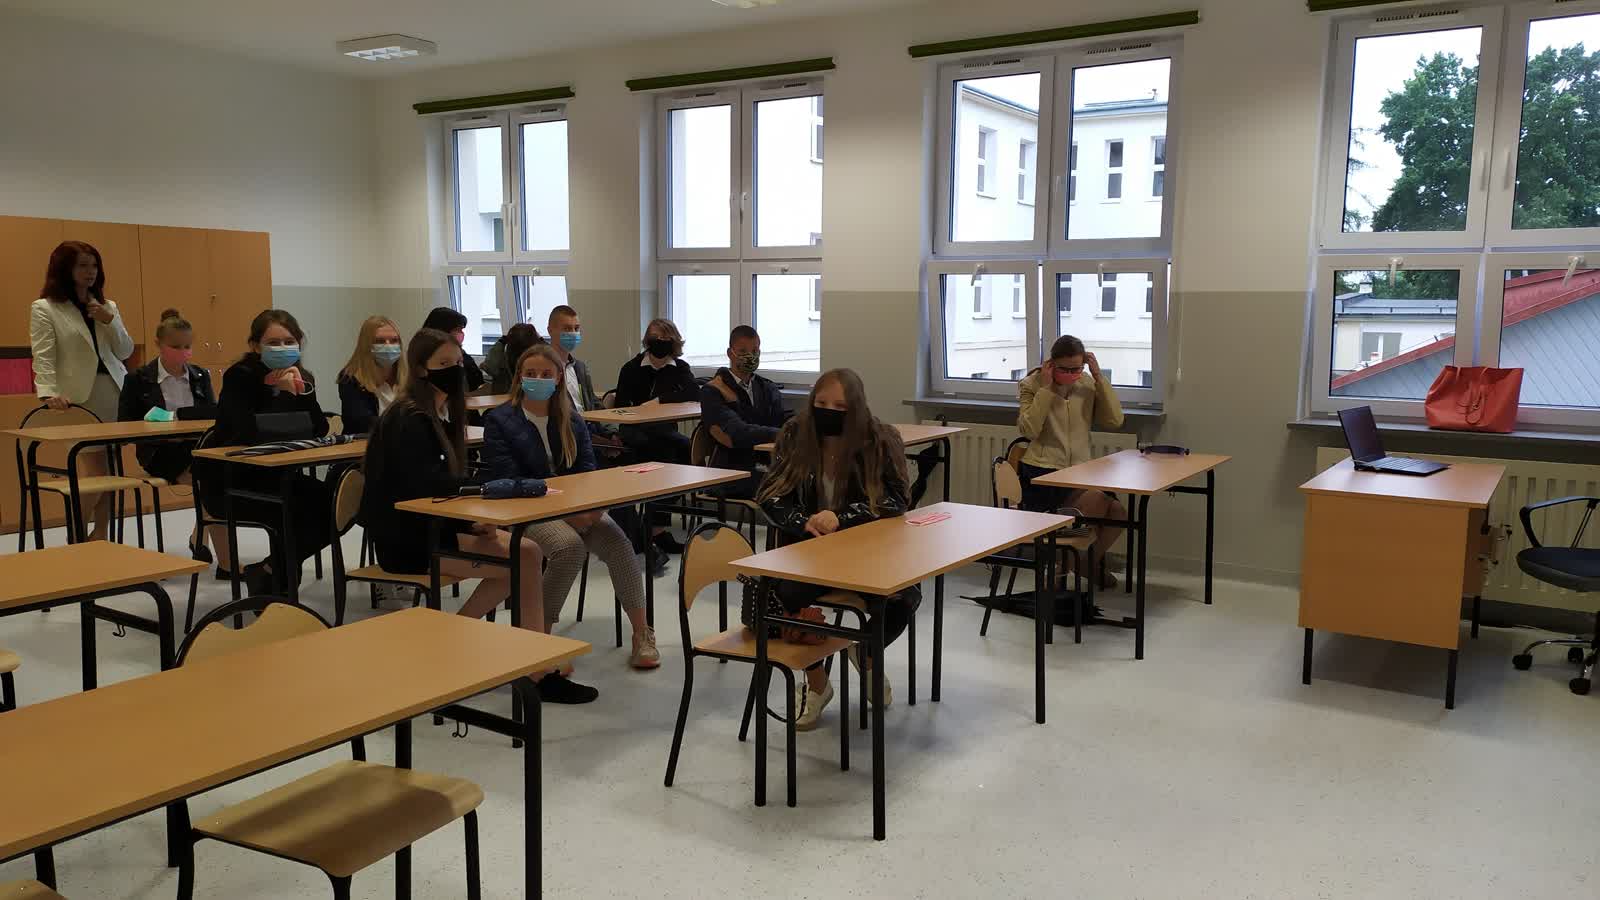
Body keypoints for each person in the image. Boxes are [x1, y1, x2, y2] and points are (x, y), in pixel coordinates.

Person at [361, 330, 595, 704]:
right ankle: (532, 671)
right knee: (524, 556)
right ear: (420, 369)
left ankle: (460, 643)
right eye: (444, 364)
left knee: (527, 553)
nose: (455, 371)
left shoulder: (440, 414)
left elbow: (444, 487)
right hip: (408, 538)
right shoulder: (409, 419)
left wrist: (472, 520)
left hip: (435, 525)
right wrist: (473, 516)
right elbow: (424, 490)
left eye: (458, 362)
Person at [756, 368, 918, 731]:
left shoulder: (879, 439)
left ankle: (867, 653)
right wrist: (803, 521)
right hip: (809, 551)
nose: (829, 411)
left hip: (866, 552)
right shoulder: (796, 434)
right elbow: (770, 495)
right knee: (780, 595)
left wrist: (842, 517)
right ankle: (816, 684)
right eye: (821, 403)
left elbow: (897, 498)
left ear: (856, 408)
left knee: (904, 596)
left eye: (840, 407)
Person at [482, 344, 659, 669]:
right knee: (568, 548)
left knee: (619, 544)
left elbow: (587, 472)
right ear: (519, 377)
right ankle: (542, 642)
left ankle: (642, 633)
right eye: (530, 373)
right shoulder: (499, 420)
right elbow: (506, 477)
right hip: (525, 510)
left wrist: (590, 509)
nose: (538, 379)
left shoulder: (571, 418)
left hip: (575, 508)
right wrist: (566, 510)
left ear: (559, 378)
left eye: (545, 374)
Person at [198, 309, 335, 594]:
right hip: (232, 481)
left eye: (289, 341)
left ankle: (269, 571)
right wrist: (283, 395)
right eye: (273, 343)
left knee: (334, 504)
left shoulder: (300, 376)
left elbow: (319, 428)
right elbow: (251, 433)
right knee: (297, 510)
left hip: (277, 476)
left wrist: (302, 392)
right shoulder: (240, 377)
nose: (282, 348)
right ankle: (277, 588)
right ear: (255, 346)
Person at [29, 240, 135, 541]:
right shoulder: (45, 308)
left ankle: (100, 534)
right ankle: (76, 533)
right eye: (83, 265)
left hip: (114, 392)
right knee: (97, 470)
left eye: (94, 265)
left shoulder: (108, 306)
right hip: (79, 399)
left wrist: (109, 320)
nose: (91, 272)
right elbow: (43, 354)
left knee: (110, 470)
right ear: (65, 269)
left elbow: (125, 351)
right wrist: (48, 392)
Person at [1015, 334, 1127, 587]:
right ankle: (1059, 572)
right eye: (1064, 369)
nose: (1070, 374)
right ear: (1051, 364)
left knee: (1119, 513)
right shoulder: (1031, 384)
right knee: (1098, 500)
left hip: (1080, 471)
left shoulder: (1087, 383)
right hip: (1043, 474)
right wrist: (1046, 390)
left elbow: (1114, 420)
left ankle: (1080, 564)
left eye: (1076, 369)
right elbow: (1029, 430)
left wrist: (1098, 377)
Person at [117, 308, 225, 567]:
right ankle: (224, 560)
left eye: (187, 346)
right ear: (159, 344)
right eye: (176, 346)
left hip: (196, 447)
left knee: (216, 476)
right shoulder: (137, 379)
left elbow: (213, 413)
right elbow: (124, 425)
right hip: (159, 451)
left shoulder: (200, 375)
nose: (183, 352)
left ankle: (202, 540)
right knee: (212, 481)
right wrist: (157, 425)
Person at [612, 318, 698, 554]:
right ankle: (656, 530)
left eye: (665, 338)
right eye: (655, 338)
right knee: (665, 454)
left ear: (674, 342)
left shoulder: (679, 368)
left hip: (665, 431)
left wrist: (660, 401)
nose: (659, 342)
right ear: (647, 341)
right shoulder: (631, 368)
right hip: (635, 431)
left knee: (686, 450)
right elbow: (620, 405)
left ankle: (653, 523)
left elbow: (693, 392)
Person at [700, 325, 790, 499]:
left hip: (763, 463)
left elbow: (782, 420)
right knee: (781, 486)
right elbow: (736, 433)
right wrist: (780, 434)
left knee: (801, 478)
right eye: (743, 351)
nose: (750, 356)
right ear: (730, 353)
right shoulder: (713, 391)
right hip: (730, 470)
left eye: (755, 351)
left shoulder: (767, 387)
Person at [336, 315, 404, 434]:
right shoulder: (350, 378)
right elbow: (361, 423)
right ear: (366, 346)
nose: (388, 346)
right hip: (365, 443)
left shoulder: (409, 377)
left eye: (394, 341)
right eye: (380, 341)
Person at [422, 307, 486, 392]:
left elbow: (476, 380)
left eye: (461, 329)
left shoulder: (460, 353)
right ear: (442, 330)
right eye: (457, 329)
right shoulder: (427, 354)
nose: (461, 333)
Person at [482, 323, 543, 395]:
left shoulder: (501, 354)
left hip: (504, 396)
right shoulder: (537, 355)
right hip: (528, 395)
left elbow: (489, 368)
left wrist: (500, 342)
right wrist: (541, 340)